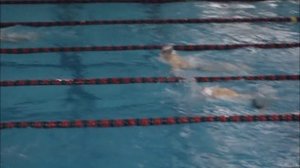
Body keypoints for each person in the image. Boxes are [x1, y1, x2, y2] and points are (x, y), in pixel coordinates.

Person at [159, 45, 250, 72]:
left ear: (166, 53)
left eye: (163, 52)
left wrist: (173, 73)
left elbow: (176, 68)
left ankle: (238, 68)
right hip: (193, 62)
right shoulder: (172, 54)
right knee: (217, 65)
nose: (161, 53)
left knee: (218, 68)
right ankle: (239, 67)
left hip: (194, 66)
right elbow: (172, 51)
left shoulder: (172, 59)